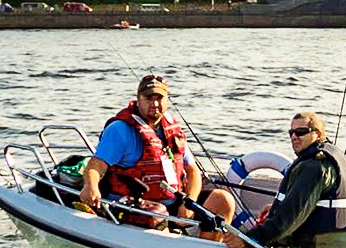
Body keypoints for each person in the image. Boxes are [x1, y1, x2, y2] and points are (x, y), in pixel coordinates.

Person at [78, 74, 233, 230]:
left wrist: (189, 203)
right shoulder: (120, 130)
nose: (155, 104)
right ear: (138, 99)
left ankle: (205, 243)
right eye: (148, 98)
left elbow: (192, 170)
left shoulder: (172, 128)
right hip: (138, 206)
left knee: (223, 199)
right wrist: (90, 186)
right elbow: (95, 166)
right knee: (156, 215)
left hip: (174, 203)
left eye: (160, 98)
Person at [224, 111, 346, 248]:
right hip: (335, 246)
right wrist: (276, 207)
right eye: (291, 132)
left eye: (301, 132)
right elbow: (312, 203)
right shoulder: (332, 155)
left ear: (318, 134)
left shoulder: (314, 167)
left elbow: (288, 219)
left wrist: (247, 239)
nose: (294, 137)